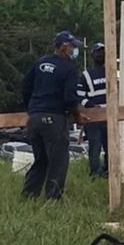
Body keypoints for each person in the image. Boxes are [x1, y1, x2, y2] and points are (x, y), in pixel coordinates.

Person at [21, 30, 86, 200]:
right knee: (58, 162)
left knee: (41, 160)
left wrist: (32, 108)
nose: (74, 50)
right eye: (72, 47)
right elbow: (69, 98)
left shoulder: (40, 62)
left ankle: (28, 197)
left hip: (34, 119)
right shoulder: (69, 68)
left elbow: (26, 86)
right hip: (54, 119)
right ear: (64, 47)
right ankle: (53, 200)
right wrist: (77, 115)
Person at [77, 42, 109, 179]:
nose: (101, 54)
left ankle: (109, 170)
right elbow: (79, 95)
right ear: (92, 55)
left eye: (103, 52)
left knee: (111, 146)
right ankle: (95, 173)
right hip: (93, 117)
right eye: (98, 52)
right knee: (95, 146)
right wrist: (90, 106)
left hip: (109, 115)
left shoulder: (111, 72)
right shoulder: (86, 75)